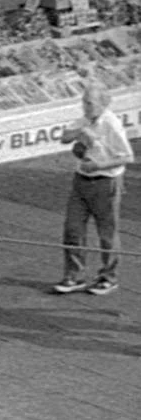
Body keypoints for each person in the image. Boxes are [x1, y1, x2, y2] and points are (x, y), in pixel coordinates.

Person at [56, 80, 130, 295]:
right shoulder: (84, 119)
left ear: (103, 104)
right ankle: (74, 276)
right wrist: (79, 133)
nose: (85, 107)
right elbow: (64, 137)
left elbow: (127, 156)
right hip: (81, 180)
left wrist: (99, 165)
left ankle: (108, 276)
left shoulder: (112, 125)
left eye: (89, 103)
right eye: (84, 102)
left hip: (106, 182)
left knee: (106, 233)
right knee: (72, 229)